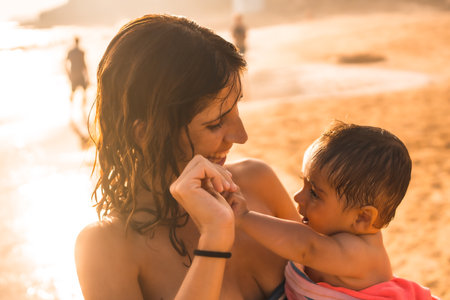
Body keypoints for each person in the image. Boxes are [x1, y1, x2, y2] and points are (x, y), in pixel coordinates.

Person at [74, 14, 299, 300]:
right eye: (215, 123)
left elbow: (350, 278)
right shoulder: (108, 248)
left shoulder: (259, 182)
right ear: (144, 134)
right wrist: (214, 239)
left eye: (235, 111)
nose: (241, 136)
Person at [224, 121, 438, 299]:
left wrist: (245, 217)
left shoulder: (359, 252)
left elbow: (306, 247)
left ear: (362, 217)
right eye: (304, 183)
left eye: (315, 193)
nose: (298, 197)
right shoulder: (337, 236)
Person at [66, 36, 90, 147]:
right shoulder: (80, 52)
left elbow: (66, 64)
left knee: (74, 93)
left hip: (74, 75)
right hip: (79, 75)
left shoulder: (71, 52)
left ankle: (72, 112)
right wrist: (87, 77)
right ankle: (81, 110)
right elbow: (84, 65)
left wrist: (68, 74)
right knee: (81, 93)